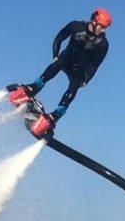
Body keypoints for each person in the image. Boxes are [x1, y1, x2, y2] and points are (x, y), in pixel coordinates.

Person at [9, 8, 112, 136]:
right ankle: (33, 88)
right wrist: (55, 55)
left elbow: (95, 65)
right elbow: (59, 38)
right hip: (66, 58)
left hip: (79, 69)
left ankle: (55, 115)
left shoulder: (103, 44)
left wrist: (86, 80)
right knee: (57, 65)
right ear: (94, 21)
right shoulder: (76, 26)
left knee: (74, 88)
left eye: (104, 28)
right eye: (101, 27)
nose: (102, 30)